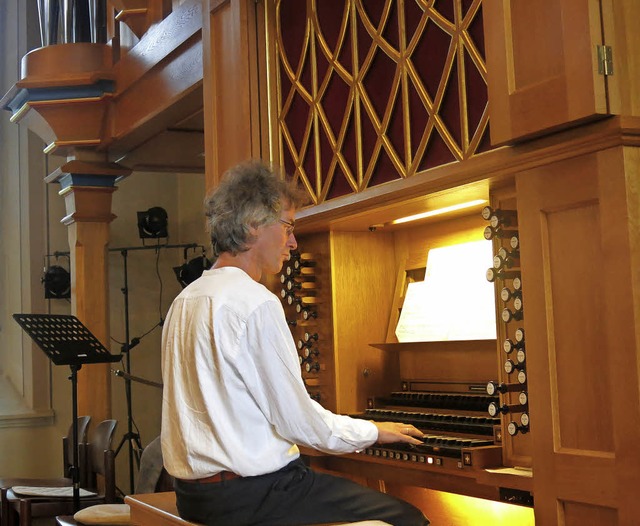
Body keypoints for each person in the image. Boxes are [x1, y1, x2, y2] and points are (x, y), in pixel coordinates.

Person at [161, 161, 430, 526]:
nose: (293, 242)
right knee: (408, 519)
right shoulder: (255, 302)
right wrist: (373, 430)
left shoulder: (186, 300)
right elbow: (298, 422)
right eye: (288, 227)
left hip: (195, 496)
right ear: (254, 225)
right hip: (256, 495)